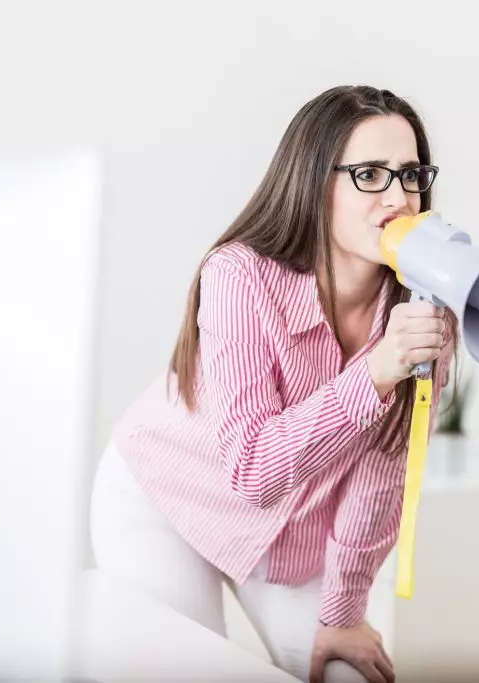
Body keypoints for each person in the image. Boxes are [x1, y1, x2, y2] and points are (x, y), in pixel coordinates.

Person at [89, 85, 458, 683]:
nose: (398, 197)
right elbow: (254, 471)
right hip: (164, 499)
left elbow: (381, 474)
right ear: (315, 183)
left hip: (292, 543)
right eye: (369, 174)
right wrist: (375, 371)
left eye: (411, 174)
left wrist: (342, 613)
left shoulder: (424, 310)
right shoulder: (238, 275)